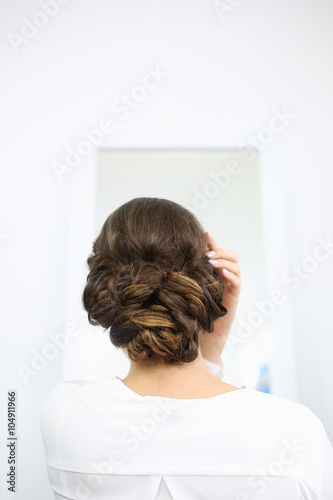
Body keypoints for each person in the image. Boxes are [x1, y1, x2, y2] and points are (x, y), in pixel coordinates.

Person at [40, 197, 333, 499]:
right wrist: (212, 337)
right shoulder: (295, 433)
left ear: (106, 289)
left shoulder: (65, 413)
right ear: (209, 286)